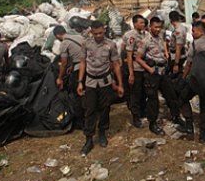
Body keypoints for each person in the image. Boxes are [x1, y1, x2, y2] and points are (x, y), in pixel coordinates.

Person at [76, 21, 123, 156]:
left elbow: (116, 65)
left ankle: (102, 132)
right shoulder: (86, 44)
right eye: (95, 33)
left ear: (104, 30)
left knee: (105, 108)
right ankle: (89, 139)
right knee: (89, 110)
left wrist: (119, 84)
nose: (98, 36)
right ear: (91, 32)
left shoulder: (110, 45)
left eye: (101, 33)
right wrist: (80, 82)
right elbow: (83, 62)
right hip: (90, 81)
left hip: (105, 81)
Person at [136, 16, 185, 136]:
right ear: (150, 27)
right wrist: (149, 69)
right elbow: (138, 58)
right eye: (155, 27)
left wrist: (166, 54)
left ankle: (176, 116)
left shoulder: (160, 36)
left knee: (171, 95)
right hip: (152, 73)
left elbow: (164, 46)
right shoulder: (146, 41)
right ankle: (153, 123)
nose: (158, 29)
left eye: (159, 27)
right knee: (153, 99)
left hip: (163, 71)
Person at [54, 25, 85, 130]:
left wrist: (60, 78)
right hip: (89, 66)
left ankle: (81, 122)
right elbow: (80, 53)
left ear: (57, 35)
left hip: (79, 69)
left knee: (76, 95)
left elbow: (63, 63)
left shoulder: (64, 44)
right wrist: (72, 66)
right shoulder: (78, 37)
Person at [121, 14, 150, 128]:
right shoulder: (131, 36)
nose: (143, 25)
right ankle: (136, 116)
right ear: (135, 23)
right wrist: (131, 73)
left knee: (144, 91)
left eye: (144, 23)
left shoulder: (146, 34)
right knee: (135, 93)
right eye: (141, 23)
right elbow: (127, 54)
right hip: (135, 66)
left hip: (145, 65)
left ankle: (143, 111)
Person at [167, 10, 187, 75]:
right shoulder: (182, 27)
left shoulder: (178, 30)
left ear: (170, 20)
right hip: (178, 56)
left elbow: (178, 48)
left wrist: (176, 64)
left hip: (178, 57)